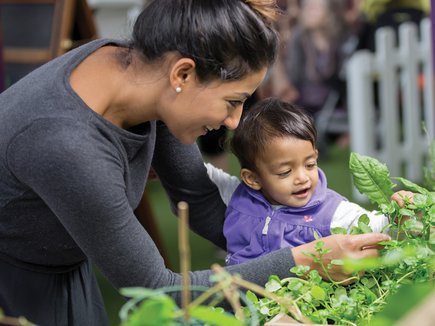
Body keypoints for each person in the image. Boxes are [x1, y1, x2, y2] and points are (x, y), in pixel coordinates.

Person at [0, 1, 391, 325]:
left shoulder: (147, 77)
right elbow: (160, 287)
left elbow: (200, 200)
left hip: (59, 258)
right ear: (183, 73)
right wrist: (304, 260)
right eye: (233, 101)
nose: (235, 122)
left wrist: (307, 232)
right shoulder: (66, 144)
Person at [205, 97, 413, 265]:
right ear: (252, 179)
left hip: (306, 309)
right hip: (244, 303)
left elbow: (374, 227)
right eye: (286, 172)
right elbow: (201, 172)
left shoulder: (331, 212)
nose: (302, 178)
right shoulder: (238, 196)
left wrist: (396, 215)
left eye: (310, 164)